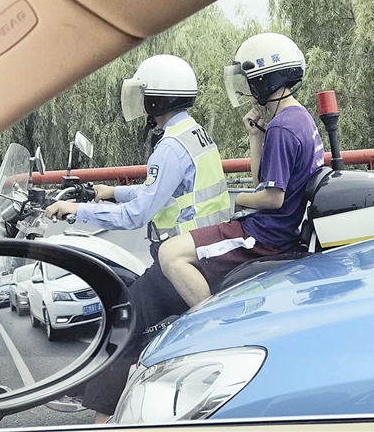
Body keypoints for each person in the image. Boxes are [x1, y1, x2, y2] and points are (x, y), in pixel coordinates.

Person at [45, 54, 231, 422]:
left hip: (181, 262)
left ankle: (101, 411)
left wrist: (77, 211)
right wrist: (110, 192)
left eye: (144, 95)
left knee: (124, 321)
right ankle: (90, 388)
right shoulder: (193, 134)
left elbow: (137, 215)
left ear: (157, 99)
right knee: (127, 299)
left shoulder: (170, 147)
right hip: (204, 248)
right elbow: (160, 192)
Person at [159, 32, 325, 307]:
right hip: (276, 229)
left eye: (249, 80)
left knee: (170, 254)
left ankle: (211, 325)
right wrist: (255, 136)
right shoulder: (299, 118)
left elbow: (273, 198)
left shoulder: (282, 127)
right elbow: (263, 182)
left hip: (263, 237)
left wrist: (240, 199)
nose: (246, 89)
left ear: (265, 79)